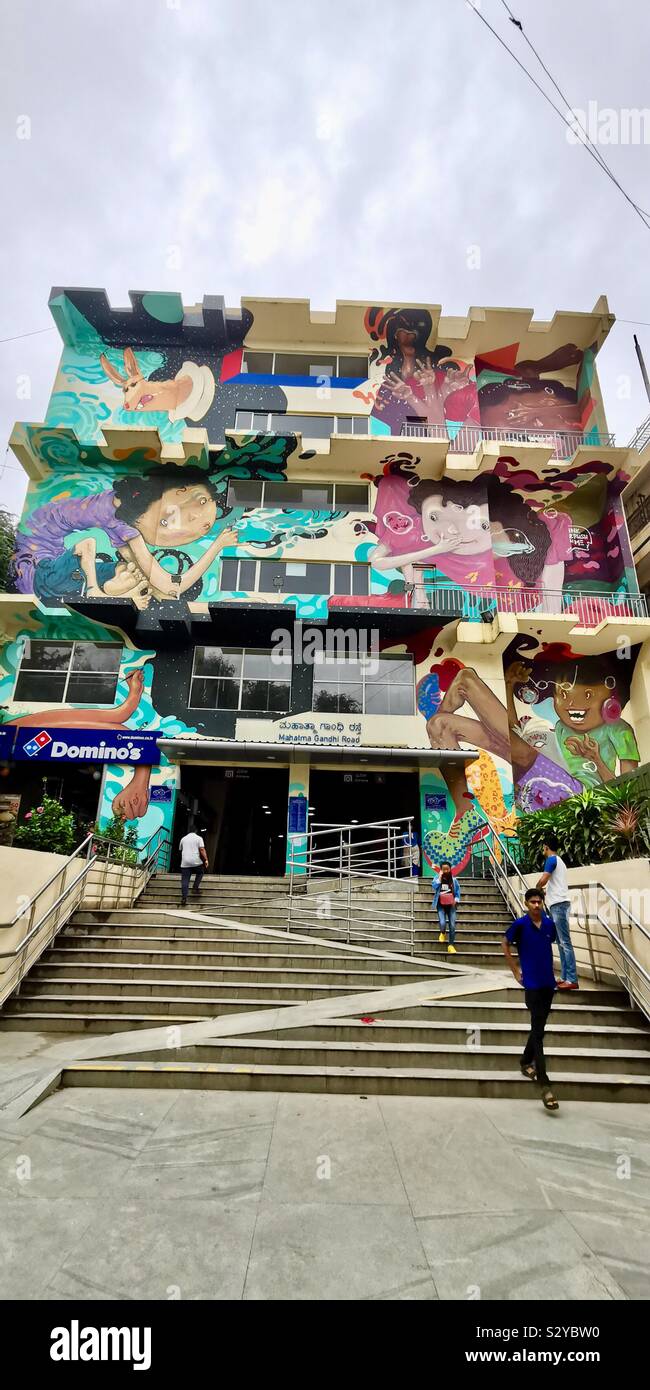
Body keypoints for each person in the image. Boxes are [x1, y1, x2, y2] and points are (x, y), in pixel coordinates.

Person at [502, 887, 559, 1111]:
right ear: (526, 904)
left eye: (539, 902)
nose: (536, 905)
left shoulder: (548, 924)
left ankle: (525, 1061)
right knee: (538, 1030)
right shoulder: (520, 925)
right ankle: (545, 1085)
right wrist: (515, 970)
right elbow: (504, 943)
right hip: (532, 985)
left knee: (539, 1028)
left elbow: (553, 942)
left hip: (548, 983)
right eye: (532, 902)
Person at [536, 833, 578, 990]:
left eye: (543, 846)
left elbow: (544, 878)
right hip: (558, 903)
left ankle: (572, 979)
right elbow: (555, 882)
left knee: (565, 942)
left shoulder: (551, 860)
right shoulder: (559, 861)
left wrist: (536, 889)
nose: (543, 849)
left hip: (559, 905)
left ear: (546, 846)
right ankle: (565, 976)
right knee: (560, 942)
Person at [433, 860, 461, 953]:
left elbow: (457, 893)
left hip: (451, 905)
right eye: (443, 869)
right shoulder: (437, 878)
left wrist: (456, 900)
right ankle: (443, 932)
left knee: (452, 925)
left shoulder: (454, 880)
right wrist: (440, 877)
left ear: (450, 869)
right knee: (442, 923)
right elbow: (434, 886)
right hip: (440, 904)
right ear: (440, 870)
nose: (445, 871)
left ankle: (451, 945)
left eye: (447, 869)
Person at [179, 826, 209, 906]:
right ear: (196, 831)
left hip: (185, 862)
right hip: (195, 862)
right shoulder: (199, 838)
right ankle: (195, 888)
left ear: (188, 831)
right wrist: (206, 859)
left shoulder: (183, 839)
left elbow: (181, 849)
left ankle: (184, 898)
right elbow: (202, 849)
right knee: (200, 872)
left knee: (185, 880)